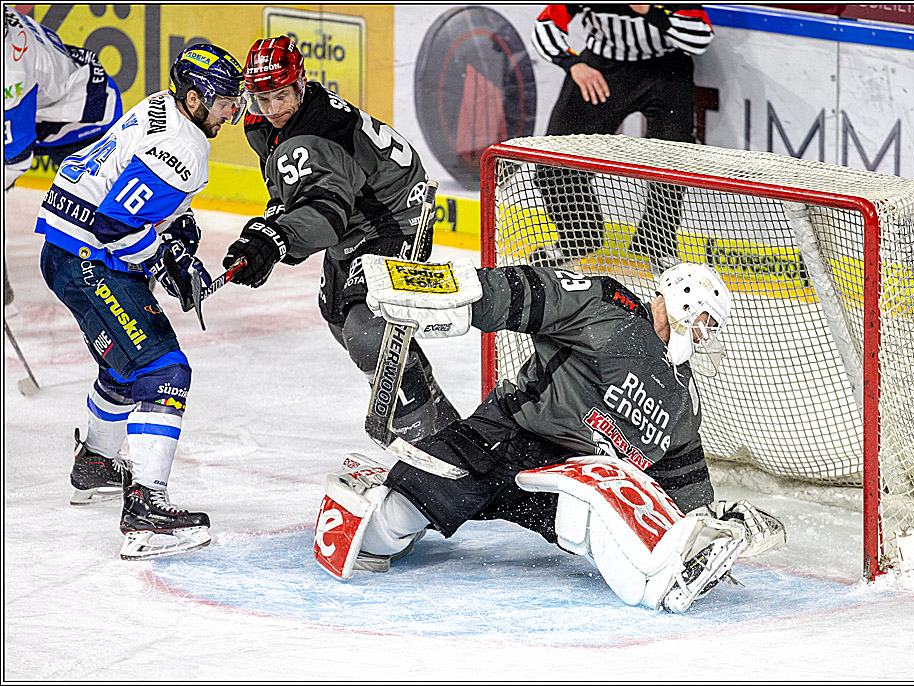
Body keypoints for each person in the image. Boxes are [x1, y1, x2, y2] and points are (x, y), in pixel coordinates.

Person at [315, 259, 785, 612]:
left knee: (621, 551)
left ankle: (669, 571)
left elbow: (683, 473)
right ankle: (385, 499)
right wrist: (414, 283)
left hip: (573, 484)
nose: (706, 336)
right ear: (684, 301)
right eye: (705, 321)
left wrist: (701, 531)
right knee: (385, 534)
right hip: (506, 439)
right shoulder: (609, 307)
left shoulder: (684, 395)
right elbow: (520, 292)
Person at [35, 43, 245, 558]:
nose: (234, 112)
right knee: (165, 372)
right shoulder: (183, 146)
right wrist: (164, 260)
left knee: (126, 365)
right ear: (195, 99)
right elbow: (114, 223)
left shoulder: (164, 105)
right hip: (89, 256)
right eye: (224, 102)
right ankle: (147, 510)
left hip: (69, 247)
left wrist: (175, 229)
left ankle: (97, 463)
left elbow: (131, 192)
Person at [223, 36, 458, 444]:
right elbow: (291, 188)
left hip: (397, 220)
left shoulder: (313, 135)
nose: (273, 109)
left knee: (367, 329)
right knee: (337, 318)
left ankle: (424, 438)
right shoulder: (263, 123)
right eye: (263, 98)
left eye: (281, 95)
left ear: (301, 83)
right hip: (357, 221)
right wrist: (274, 228)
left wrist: (276, 239)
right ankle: (436, 411)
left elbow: (324, 213)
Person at [528, 4, 714, 272]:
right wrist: (572, 62)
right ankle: (577, 237)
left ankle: (658, 243)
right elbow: (545, 26)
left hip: (664, 68)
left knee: (672, 158)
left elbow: (700, 39)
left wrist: (651, 11)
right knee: (554, 161)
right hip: (602, 66)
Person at [4, 4, 122, 305]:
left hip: (85, 116)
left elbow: (14, 160)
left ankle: (130, 292)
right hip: (47, 101)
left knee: (109, 221)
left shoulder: (11, 70)